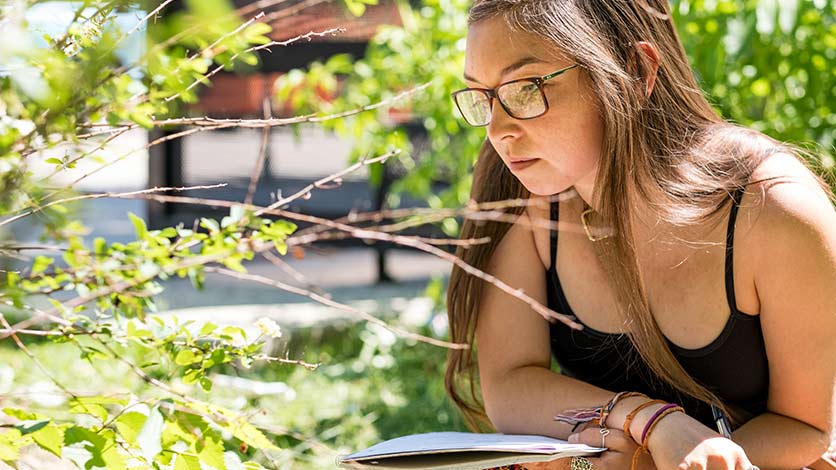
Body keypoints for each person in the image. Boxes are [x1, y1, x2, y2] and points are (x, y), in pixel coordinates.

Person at [444, 1, 836, 469]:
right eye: (482, 97)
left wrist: (651, 464)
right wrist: (648, 422)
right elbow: (509, 382)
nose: (498, 130)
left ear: (636, 70)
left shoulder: (771, 206)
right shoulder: (519, 189)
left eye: (525, 90)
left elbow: (811, 430)